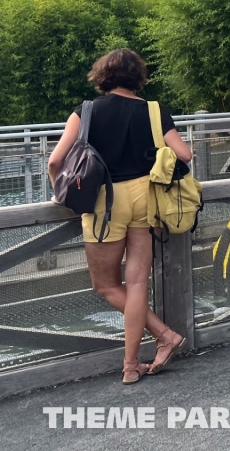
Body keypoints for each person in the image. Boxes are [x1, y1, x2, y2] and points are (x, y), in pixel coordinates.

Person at [46, 49, 192, 385]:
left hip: (104, 202)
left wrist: (61, 193)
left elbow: (56, 161)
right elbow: (184, 155)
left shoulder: (87, 112)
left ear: (103, 75)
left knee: (107, 285)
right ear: (137, 76)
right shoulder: (154, 111)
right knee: (138, 282)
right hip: (146, 198)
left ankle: (163, 336)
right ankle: (132, 364)